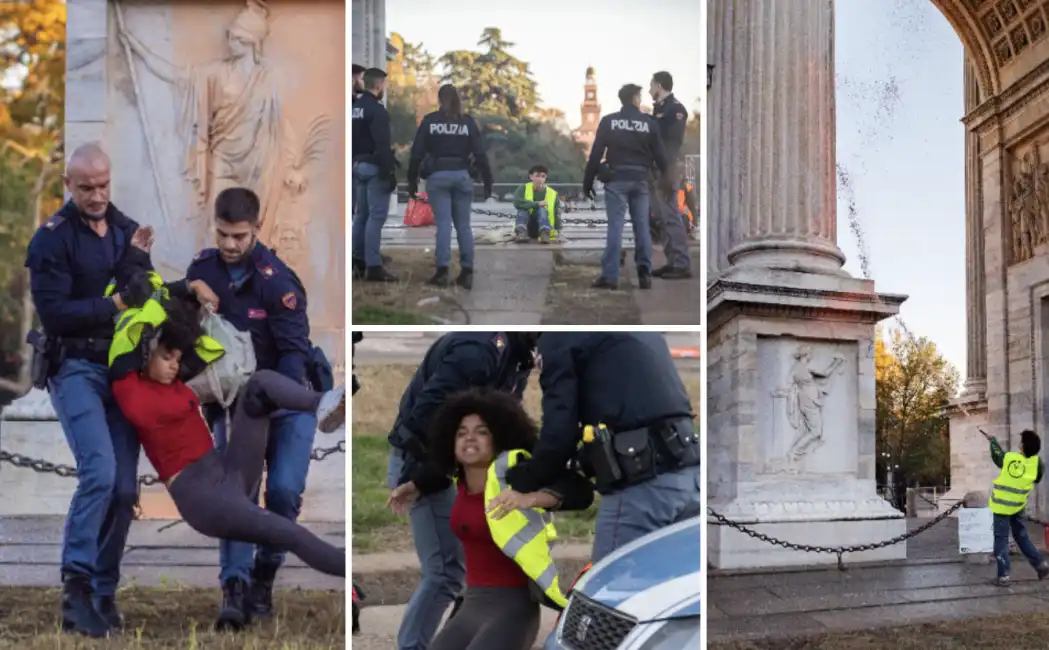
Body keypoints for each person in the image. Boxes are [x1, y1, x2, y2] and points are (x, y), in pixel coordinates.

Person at [107, 295, 346, 581]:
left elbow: (209, 345)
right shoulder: (130, 387)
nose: (174, 365)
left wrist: (189, 295)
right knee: (292, 533)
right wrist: (148, 327)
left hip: (227, 472)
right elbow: (128, 334)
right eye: (167, 357)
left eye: (178, 359)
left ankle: (324, 402)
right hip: (204, 498)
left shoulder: (174, 381)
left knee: (259, 385)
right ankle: (353, 576)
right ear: (146, 353)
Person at [23, 143, 160, 638]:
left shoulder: (126, 230)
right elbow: (56, 313)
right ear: (68, 184)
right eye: (86, 187)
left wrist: (142, 270)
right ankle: (75, 587)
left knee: (124, 490)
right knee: (99, 473)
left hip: (122, 370)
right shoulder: (51, 241)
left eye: (103, 184)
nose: (97, 195)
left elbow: (141, 287)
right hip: (74, 366)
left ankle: (104, 590)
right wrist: (119, 301)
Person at [186, 187, 333, 630]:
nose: (230, 245)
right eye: (223, 234)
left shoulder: (278, 283)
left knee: (284, 492)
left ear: (257, 229)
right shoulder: (203, 269)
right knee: (237, 497)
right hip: (234, 404)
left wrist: (271, 402)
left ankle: (264, 575)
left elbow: (293, 353)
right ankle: (234, 586)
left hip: (286, 399)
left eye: (240, 236)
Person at [387, 389, 593, 650]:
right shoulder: (460, 479)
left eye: (481, 431)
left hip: (511, 611)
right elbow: (439, 470)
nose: (470, 438)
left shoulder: (516, 473)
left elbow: (581, 492)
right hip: (471, 607)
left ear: (499, 438)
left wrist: (532, 498)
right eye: (461, 432)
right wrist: (415, 485)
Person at [386, 333, 537, 650]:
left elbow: (506, 420)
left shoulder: (517, 354)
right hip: (423, 462)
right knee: (443, 574)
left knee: (457, 570)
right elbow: (427, 415)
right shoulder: (478, 351)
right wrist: (428, 476)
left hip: (458, 470)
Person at [505, 332, 701, 562]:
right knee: (672, 588)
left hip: (641, 491)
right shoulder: (646, 334)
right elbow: (633, 409)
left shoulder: (558, 338)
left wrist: (526, 477)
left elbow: (559, 433)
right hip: (690, 478)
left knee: (612, 590)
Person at [582, 84, 670, 291]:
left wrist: (587, 183)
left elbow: (596, 154)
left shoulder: (609, 121)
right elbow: (661, 156)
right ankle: (644, 274)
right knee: (642, 227)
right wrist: (666, 181)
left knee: (615, 228)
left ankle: (610, 276)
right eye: (639, 96)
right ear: (635, 98)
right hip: (640, 179)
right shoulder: (648, 123)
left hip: (617, 178)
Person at [406, 84, 494, 290]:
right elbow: (480, 154)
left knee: (444, 224)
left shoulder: (430, 121)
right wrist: (488, 182)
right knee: (464, 225)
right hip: (462, 176)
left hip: (437, 177)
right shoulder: (467, 122)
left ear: (439, 99)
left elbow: (417, 153)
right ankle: (467, 271)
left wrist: (412, 181)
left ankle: (442, 270)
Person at [984, 428, 1049, 586]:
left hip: (1002, 506)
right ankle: (1041, 564)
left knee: (1001, 539)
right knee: (1022, 537)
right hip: (1018, 505)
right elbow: (1037, 478)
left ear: (1022, 447)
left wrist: (992, 441)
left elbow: (998, 457)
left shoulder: (1010, 458)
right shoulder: (1037, 463)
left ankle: (1003, 576)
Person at [352, 67, 398, 282]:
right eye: (384, 86)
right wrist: (389, 171)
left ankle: (358, 261)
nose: (384, 89)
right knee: (376, 217)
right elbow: (382, 144)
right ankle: (374, 266)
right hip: (374, 167)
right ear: (378, 85)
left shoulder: (354, 108)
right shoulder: (378, 111)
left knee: (361, 216)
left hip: (357, 165)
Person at [648, 71, 692, 280]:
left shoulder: (676, 109)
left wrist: (666, 171)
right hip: (657, 168)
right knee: (661, 217)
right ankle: (672, 261)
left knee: (671, 216)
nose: (649, 90)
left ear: (659, 85)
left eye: (651, 85)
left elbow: (672, 142)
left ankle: (681, 263)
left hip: (667, 168)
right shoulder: (660, 109)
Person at [512, 165, 560, 244]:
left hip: (545, 230)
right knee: (524, 209)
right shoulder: (522, 189)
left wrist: (559, 232)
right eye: (537, 176)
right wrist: (537, 204)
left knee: (542, 210)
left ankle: (544, 233)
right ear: (531, 177)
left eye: (543, 176)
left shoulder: (553, 194)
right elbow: (517, 203)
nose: (540, 179)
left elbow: (557, 214)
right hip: (527, 227)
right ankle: (521, 233)